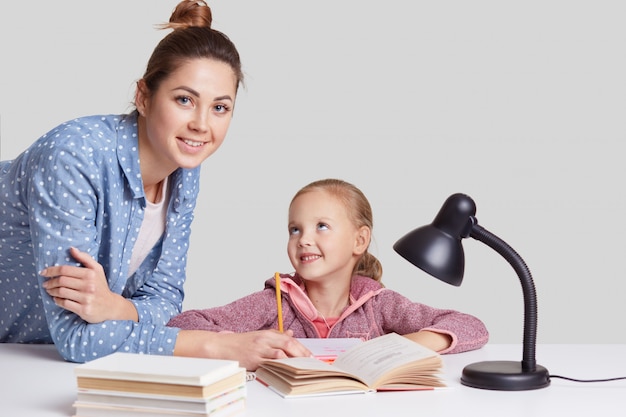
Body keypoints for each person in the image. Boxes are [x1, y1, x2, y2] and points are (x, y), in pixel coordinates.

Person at [0, 0, 310, 370]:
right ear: (143, 97)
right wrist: (215, 346)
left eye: (220, 107)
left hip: (30, 361)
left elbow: (165, 301)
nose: (201, 124)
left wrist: (117, 308)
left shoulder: (182, 168)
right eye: (184, 100)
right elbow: (77, 337)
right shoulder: (73, 158)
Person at [167, 178, 489, 364]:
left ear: (359, 240)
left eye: (322, 226)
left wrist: (408, 345)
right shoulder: (275, 302)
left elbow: (471, 326)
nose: (304, 239)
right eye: (295, 229)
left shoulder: (379, 305)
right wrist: (237, 344)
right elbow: (183, 324)